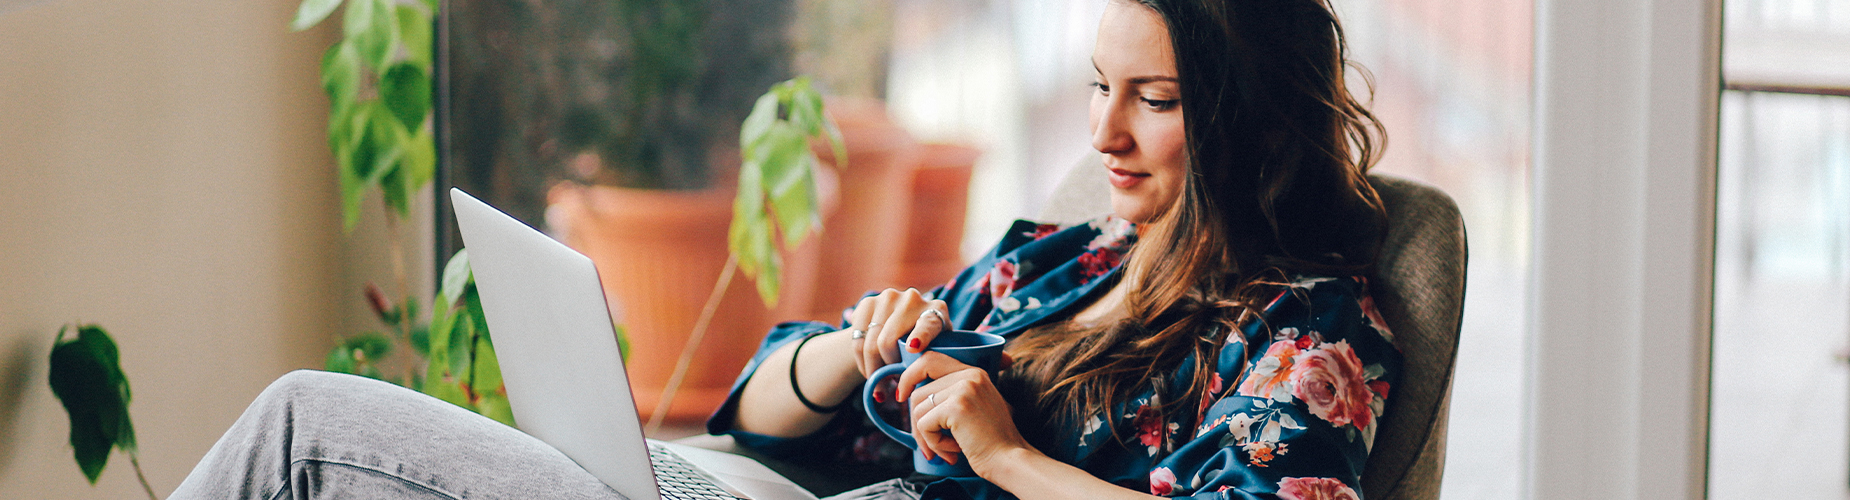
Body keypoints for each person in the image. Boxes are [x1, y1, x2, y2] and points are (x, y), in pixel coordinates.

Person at [170, 0, 1398, 499]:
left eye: (1156, 99)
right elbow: (756, 420)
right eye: (1095, 87)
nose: (1104, 132)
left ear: (1243, 114)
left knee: (301, 429)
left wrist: (1005, 455)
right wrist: (838, 357)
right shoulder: (1062, 258)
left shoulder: (1308, 329)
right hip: (772, 488)